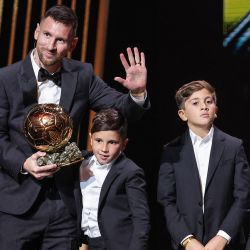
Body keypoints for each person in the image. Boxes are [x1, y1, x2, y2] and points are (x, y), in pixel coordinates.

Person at [0, 5, 150, 250]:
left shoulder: (82, 75)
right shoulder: (5, 79)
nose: (51, 45)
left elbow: (123, 110)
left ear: (73, 43)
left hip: (64, 207)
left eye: (60, 40)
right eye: (47, 35)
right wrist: (23, 163)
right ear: (37, 32)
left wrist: (136, 93)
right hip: (16, 207)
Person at [157, 80, 250, 250]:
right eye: (195, 102)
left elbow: (243, 197)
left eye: (209, 101)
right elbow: (167, 200)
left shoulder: (234, 147)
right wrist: (187, 240)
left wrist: (222, 237)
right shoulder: (171, 151)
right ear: (183, 114)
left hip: (228, 243)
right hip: (187, 244)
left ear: (216, 111)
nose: (204, 106)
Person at [79, 108, 150, 250]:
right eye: (99, 140)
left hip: (116, 244)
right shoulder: (80, 162)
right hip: (85, 242)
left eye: (112, 142)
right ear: (90, 138)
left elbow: (141, 219)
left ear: (124, 144)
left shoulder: (130, 171)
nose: (104, 148)